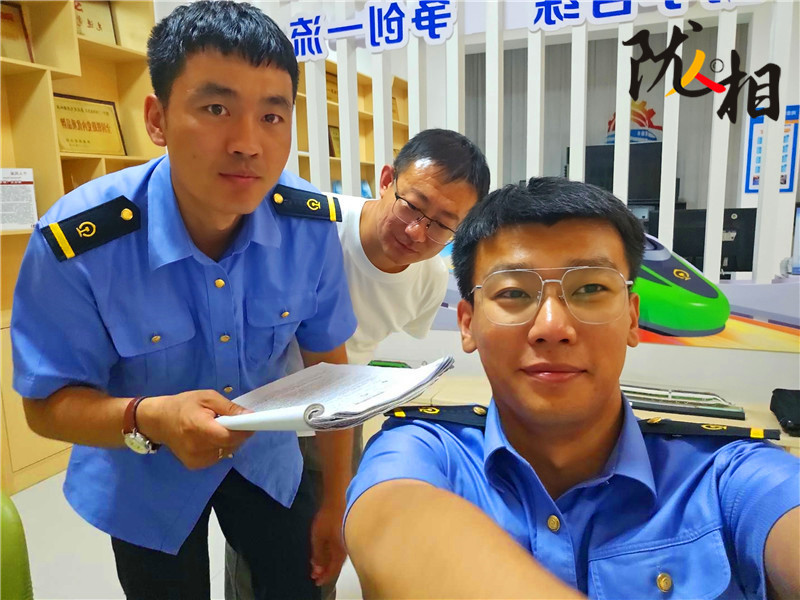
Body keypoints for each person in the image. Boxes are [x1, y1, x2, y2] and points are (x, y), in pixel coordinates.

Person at [11, 2, 357, 599]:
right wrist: (148, 417)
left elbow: (330, 368)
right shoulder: (80, 243)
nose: (248, 143)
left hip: (267, 462)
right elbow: (45, 405)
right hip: (142, 471)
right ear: (158, 118)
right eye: (216, 108)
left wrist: (337, 499)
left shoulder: (308, 225)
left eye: (272, 115)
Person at [343, 177, 800, 599]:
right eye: (513, 293)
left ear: (632, 318)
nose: (552, 327)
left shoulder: (725, 477)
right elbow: (389, 520)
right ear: (468, 324)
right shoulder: (423, 452)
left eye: (590, 289)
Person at [226, 129, 490, 598]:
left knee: (322, 553)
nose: (417, 232)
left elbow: (365, 345)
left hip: (339, 415)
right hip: (260, 410)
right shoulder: (314, 226)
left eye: (442, 224)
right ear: (386, 180)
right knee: (258, 561)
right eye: (412, 206)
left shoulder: (428, 279)